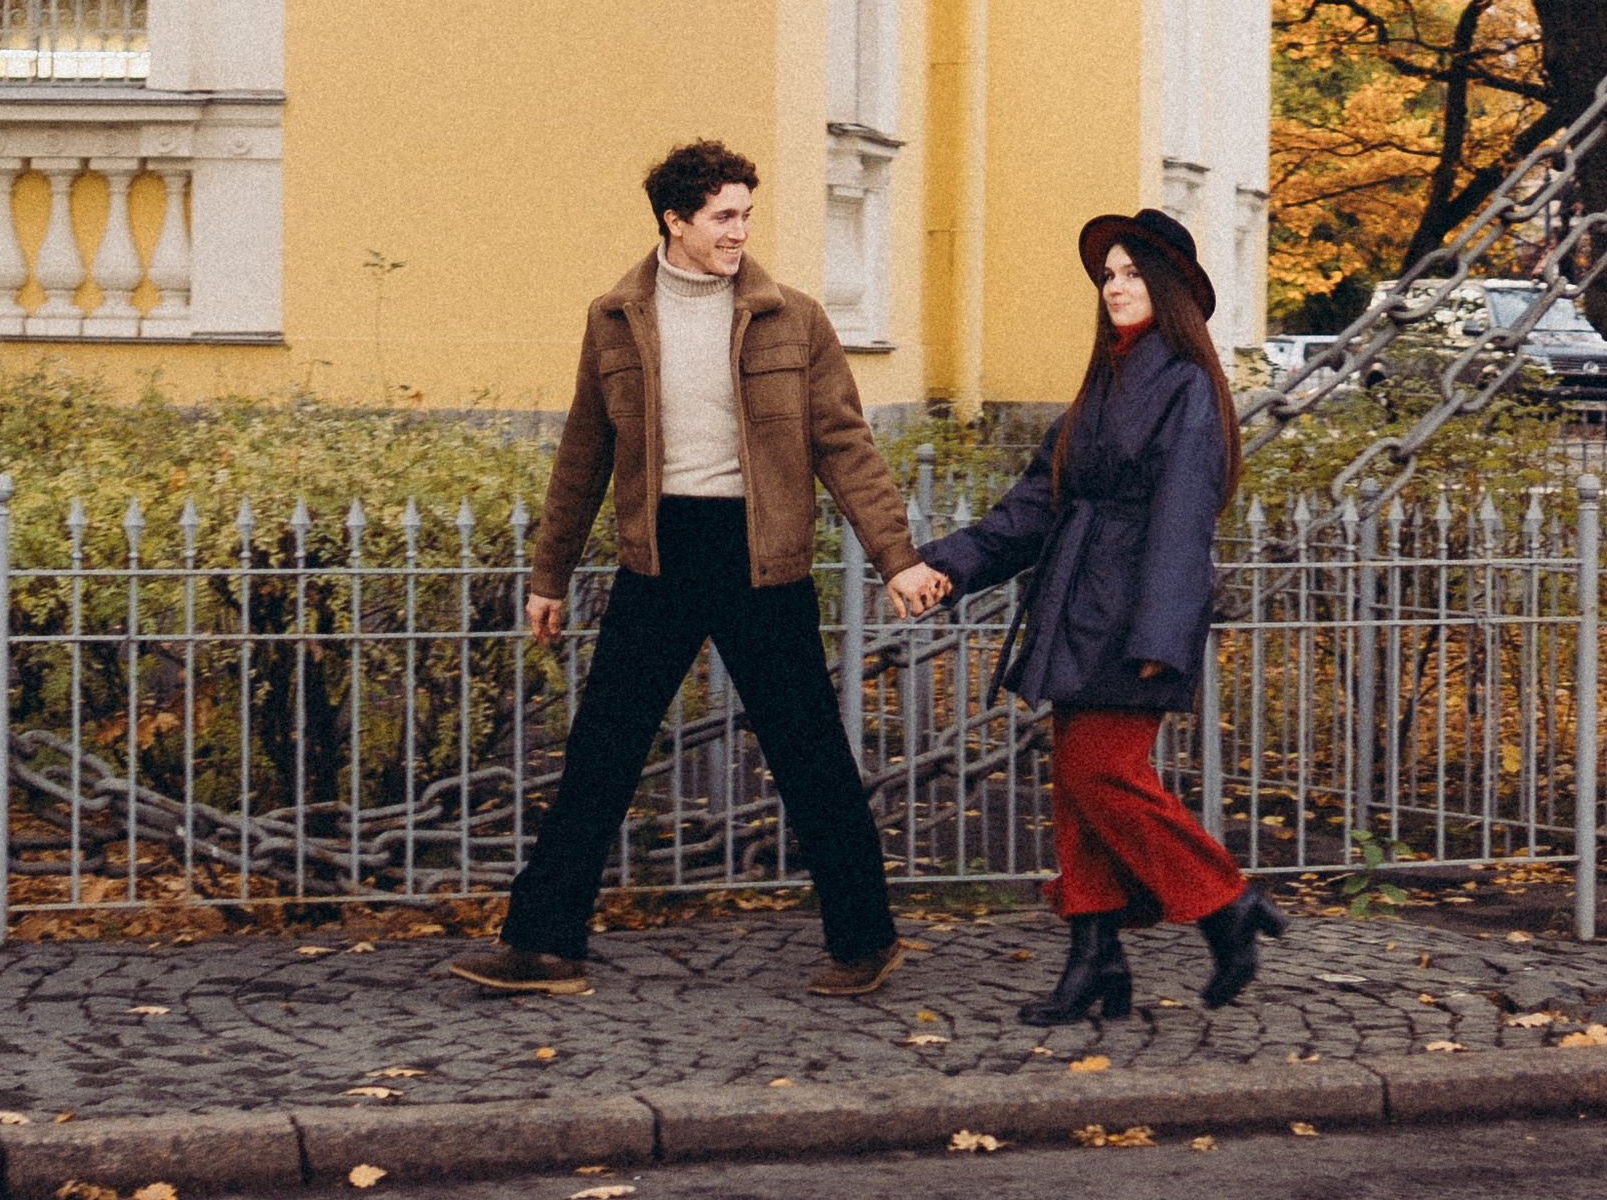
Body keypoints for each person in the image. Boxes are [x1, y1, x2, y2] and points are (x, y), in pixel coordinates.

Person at [449, 140, 947, 999]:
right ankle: (543, 945)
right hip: (660, 557)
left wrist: (896, 558)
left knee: (809, 755)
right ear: (674, 223)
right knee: (602, 751)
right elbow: (582, 455)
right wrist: (548, 576)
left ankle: (865, 940)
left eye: (746, 215)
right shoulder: (615, 319)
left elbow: (845, 446)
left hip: (763, 560)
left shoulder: (792, 317)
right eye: (723, 216)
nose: (739, 232)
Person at [913, 208, 1282, 1021]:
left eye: (1132, 273)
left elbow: (1184, 518)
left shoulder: (1185, 386)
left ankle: (1225, 902)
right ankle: (1096, 959)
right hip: (1078, 605)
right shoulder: (1104, 384)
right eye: (1108, 275)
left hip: (1135, 613)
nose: (1115, 286)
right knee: (1075, 787)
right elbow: (1034, 506)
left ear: (1173, 289)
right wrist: (944, 566)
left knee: (1101, 772)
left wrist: (1159, 636)